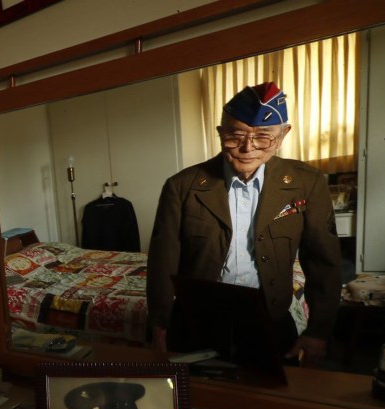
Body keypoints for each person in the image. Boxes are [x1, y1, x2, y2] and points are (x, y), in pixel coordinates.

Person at [146, 82, 341, 367]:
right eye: (235, 135)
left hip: (269, 315)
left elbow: (323, 262)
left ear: (283, 135)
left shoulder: (306, 183)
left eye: (263, 137)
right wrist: (160, 324)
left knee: (270, 402)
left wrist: (318, 332)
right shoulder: (182, 186)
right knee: (196, 399)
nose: (248, 148)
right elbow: (163, 261)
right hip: (198, 318)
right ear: (220, 133)